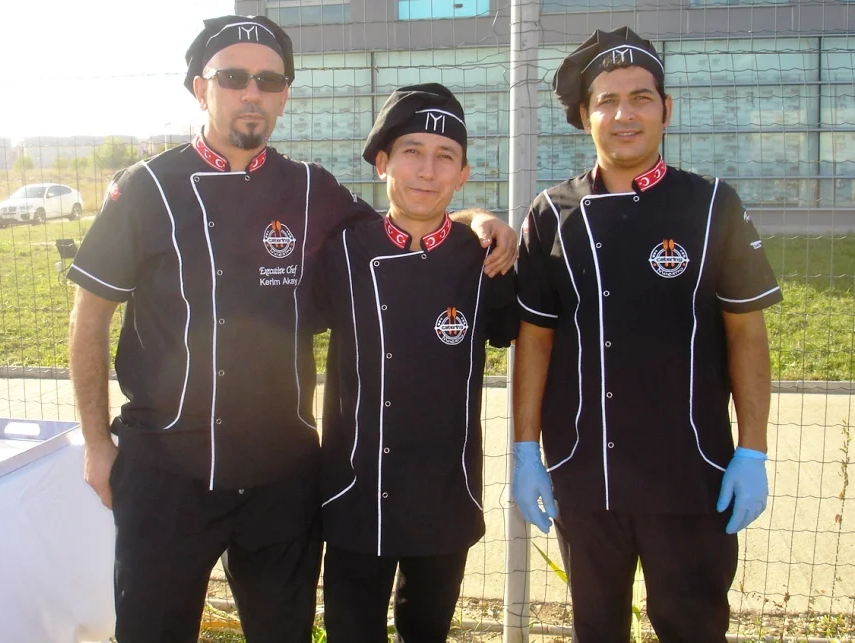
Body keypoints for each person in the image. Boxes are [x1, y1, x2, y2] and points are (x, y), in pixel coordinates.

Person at [66, 15, 517, 643]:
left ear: (284, 96)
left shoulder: (311, 189)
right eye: (234, 77)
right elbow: (89, 316)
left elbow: (408, 223)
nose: (252, 92)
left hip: (280, 476)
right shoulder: (146, 188)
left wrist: (474, 218)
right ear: (201, 88)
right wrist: (96, 443)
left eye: (269, 81)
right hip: (167, 468)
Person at [511, 27, 781, 643]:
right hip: (585, 474)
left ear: (666, 109)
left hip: (691, 474)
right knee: (595, 630)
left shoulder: (713, 205)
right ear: (585, 117)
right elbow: (536, 339)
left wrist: (752, 450)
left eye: (641, 97)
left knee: (693, 628)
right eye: (606, 101)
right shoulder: (551, 213)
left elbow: (747, 334)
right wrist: (527, 451)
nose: (624, 114)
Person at [305, 83, 518, 643]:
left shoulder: (485, 259)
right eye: (412, 152)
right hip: (354, 493)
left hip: (446, 496)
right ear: (382, 163)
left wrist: (485, 221)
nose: (427, 170)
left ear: (463, 174)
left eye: (445, 157)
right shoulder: (341, 249)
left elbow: (523, 336)